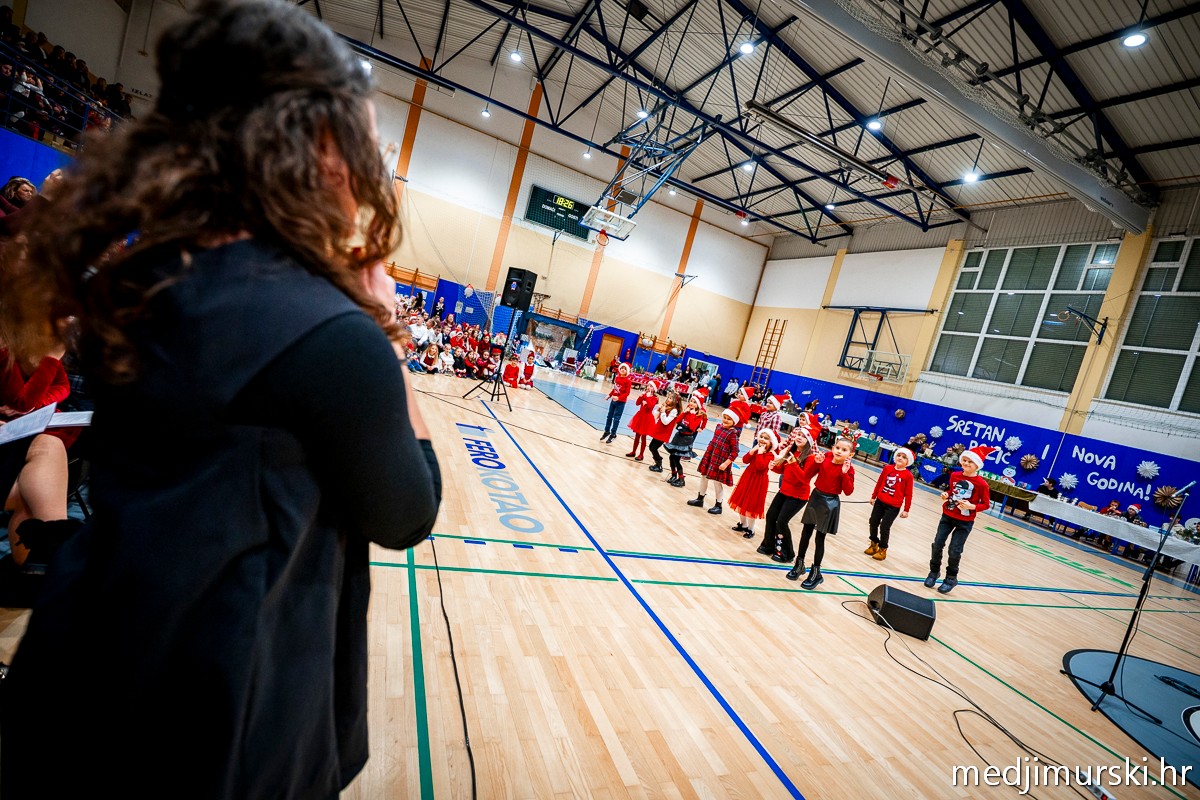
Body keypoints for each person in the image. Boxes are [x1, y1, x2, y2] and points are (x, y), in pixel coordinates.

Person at [0, 3, 442, 796]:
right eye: (365, 138)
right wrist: (380, 336)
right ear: (318, 149)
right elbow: (406, 511)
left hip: (83, 663)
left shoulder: (141, 280)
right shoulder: (331, 335)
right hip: (221, 714)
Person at [786, 436, 856, 589]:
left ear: (850, 455)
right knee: (805, 533)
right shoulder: (824, 458)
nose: (839, 451)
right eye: (837, 448)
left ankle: (816, 572)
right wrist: (816, 464)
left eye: (844, 450)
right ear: (833, 448)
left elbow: (848, 491)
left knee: (820, 538)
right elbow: (806, 476)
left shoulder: (848, 468)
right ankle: (799, 564)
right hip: (816, 497)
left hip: (830, 502)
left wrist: (844, 473)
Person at [924, 445, 993, 594]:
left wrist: (972, 506)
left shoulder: (982, 484)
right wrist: (946, 494)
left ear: (977, 466)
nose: (967, 464)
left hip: (965, 521)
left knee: (954, 550)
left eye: (970, 462)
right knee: (937, 544)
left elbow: (986, 504)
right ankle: (934, 572)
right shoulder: (955, 476)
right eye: (965, 460)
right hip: (948, 515)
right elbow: (952, 491)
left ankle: (951, 578)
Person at [760, 427, 814, 562]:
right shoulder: (792, 451)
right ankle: (769, 546)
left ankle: (787, 553)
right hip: (784, 491)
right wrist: (774, 466)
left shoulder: (810, 458)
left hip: (798, 496)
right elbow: (784, 470)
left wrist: (794, 464)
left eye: (803, 436)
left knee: (782, 522)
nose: (799, 437)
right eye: (798, 434)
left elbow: (804, 479)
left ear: (809, 441)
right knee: (771, 516)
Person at [686, 405, 743, 514]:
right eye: (724, 417)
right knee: (703, 477)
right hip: (710, 457)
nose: (726, 420)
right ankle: (700, 498)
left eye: (729, 419)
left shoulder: (733, 434)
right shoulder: (718, 427)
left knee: (717, 482)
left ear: (734, 421)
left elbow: (735, 452)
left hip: (721, 461)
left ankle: (718, 505)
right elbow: (713, 442)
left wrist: (726, 463)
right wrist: (707, 454)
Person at [865, 447, 914, 561]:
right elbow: (880, 482)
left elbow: (909, 494)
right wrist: (873, 496)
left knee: (884, 527)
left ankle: (883, 549)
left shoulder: (908, 476)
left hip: (893, 506)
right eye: (899, 455)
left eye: (904, 457)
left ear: (908, 461)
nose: (900, 458)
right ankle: (873, 544)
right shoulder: (887, 468)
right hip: (880, 501)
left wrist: (906, 509)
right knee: (873, 522)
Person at [729, 428, 778, 539]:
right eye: (761, 437)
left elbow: (761, 467)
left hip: (758, 481)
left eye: (766, 438)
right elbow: (745, 460)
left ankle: (751, 529)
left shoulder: (770, 455)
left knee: (751, 505)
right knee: (741, 500)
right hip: (748, 477)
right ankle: (743, 524)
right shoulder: (757, 450)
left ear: (771, 442)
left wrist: (760, 453)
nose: (762, 439)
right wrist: (753, 451)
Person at [663, 393, 706, 488]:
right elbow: (677, 421)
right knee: (671, 457)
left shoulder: (698, 416)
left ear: (698, 405)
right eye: (691, 401)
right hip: (678, 436)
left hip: (686, 439)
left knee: (677, 459)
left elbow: (691, 427)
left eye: (695, 402)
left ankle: (681, 479)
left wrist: (691, 415)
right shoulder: (687, 411)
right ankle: (674, 475)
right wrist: (684, 412)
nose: (692, 403)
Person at [647, 389, 682, 473]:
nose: (668, 399)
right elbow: (655, 415)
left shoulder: (674, 410)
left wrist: (662, 412)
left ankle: (659, 464)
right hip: (658, 430)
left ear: (676, 402)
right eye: (668, 397)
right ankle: (657, 463)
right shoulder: (665, 406)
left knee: (654, 448)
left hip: (664, 433)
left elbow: (666, 422)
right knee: (651, 447)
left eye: (670, 398)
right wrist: (658, 409)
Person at [626, 378, 659, 461]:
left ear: (654, 389)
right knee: (637, 436)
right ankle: (633, 451)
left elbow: (650, 407)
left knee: (643, 437)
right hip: (640, 416)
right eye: (648, 385)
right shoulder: (644, 395)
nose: (648, 387)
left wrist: (646, 398)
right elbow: (637, 403)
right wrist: (641, 397)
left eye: (651, 386)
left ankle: (641, 454)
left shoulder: (654, 398)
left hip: (647, 418)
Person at [601, 361, 632, 443]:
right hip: (613, 401)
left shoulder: (628, 381)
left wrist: (619, 398)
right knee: (609, 416)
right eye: (621, 368)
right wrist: (609, 395)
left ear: (627, 371)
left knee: (616, 419)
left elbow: (627, 393)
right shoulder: (617, 378)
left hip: (620, 402)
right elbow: (615, 389)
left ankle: (613, 434)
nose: (622, 369)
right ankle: (606, 431)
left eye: (624, 369)